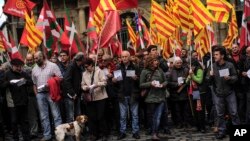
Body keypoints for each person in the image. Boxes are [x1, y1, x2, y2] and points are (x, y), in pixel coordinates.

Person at [209, 46, 240, 139]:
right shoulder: (212, 66)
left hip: (230, 93)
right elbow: (207, 81)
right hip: (218, 94)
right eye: (214, 54)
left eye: (216, 54)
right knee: (220, 114)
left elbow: (236, 77)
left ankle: (237, 132)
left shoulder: (229, 65)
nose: (214, 56)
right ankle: (222, 131)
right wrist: (210, 76)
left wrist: (230, 78)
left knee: (234, 113)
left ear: (222, 56)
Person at [32, 51, 63, 141]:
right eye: (34, 58)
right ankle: (47, 135)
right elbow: (34, 83)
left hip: (51, 93)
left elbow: (60, 78)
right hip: (40, 94)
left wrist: (51, 82)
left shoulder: (52, 66)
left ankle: (59, 135)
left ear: (43, 56)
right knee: (43, 116)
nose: (35, 60)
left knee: (56, 115)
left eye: (37, 58)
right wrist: (37, 94)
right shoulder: (34, 69)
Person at [1, 58, 33, 141]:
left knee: (25, 122)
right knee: (14, 122)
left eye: (20, 66)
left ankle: (27, 138)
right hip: (12, 102)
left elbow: (31, 82)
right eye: (17, 67)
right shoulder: (7, 74)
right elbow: (2, 85)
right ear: (12, 66)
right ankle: (16, 138)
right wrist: (9, 82)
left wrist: (25, 81)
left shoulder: (23, 73)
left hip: (23, 101)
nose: (19, 68)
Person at [113, 51, 140, 140]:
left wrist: (136, 79)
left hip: (133, 94)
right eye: (122, 57)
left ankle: (135, 132)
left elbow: (140, 81)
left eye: (126, 56)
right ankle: (122, 132)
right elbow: (116, 84)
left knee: (135, 115)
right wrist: (114, 81)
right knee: (123, 116)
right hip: (122, 95)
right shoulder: (118, 67)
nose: (124, 58)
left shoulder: (135, 67)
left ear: (129, 57)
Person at [140, 55, 168, 140]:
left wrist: (163, 85)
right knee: (152, 117)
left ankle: (156, 133)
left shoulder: (160, 70)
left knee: (158, 116)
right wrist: (150, 84)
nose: (157, 62)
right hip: (150, 98)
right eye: (155, 60)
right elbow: (141, 85)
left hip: (160, 97)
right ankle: (153, 133)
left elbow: (166, 81)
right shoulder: (144, 71)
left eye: (157, 60)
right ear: (150, 61)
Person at [81, 58, 108, 141]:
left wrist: (96, 85)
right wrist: (85, 88)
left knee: (101, 116)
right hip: (90, 98)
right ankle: (94, 134)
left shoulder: (99, 71)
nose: (86, 68)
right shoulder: (84, 74)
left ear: (91, 65)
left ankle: (103, 134)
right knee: (92, 117)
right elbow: (82, 84)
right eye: (84, 67)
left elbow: (104, 82)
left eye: (87, 66)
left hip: (100, 97)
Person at [168, 57, 190, 128]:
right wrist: (176, 84)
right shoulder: (171, 72)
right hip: (175, 94)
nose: (179, 64)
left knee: (186, 110)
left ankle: (186, 122)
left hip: (184, 93)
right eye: (177, 63)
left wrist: (185, 81)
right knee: (177, 110)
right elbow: (168, 83)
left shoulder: (186, 70)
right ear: (174, 63)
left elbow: (189, 80)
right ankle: (178, 123)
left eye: (180, 63)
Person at [62, 52, 85, 122]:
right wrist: (72, 93)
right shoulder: (71, 66)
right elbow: (66, 80)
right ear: (80, 60)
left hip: (76, 94)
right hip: (70, 95)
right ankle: (70, 132)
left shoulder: (78, 67)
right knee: (70, 115)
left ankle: (78, 131)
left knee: (78, 114)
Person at [23, 54, 39, 139]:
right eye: (28, 60)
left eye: (31, 59)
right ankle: (34, 132)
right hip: (30, 95)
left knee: (42, 114)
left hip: (39, 93)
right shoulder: (23, 69)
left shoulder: (38, 67)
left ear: (33, 59)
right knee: (32, 116)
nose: (29, 61)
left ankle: (45, 130)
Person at [187, 59, 206, 133]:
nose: (190, 67)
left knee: (200, 110)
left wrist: (192, 75)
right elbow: (187, 81)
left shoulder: (199, 70)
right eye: (189, 65)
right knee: (195, 110)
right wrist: (189, 76)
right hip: (193, 92)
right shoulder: (191, 71)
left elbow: (199, 80)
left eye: (191, 66)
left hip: (200, 92)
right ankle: (197, 126)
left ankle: (202, 127)